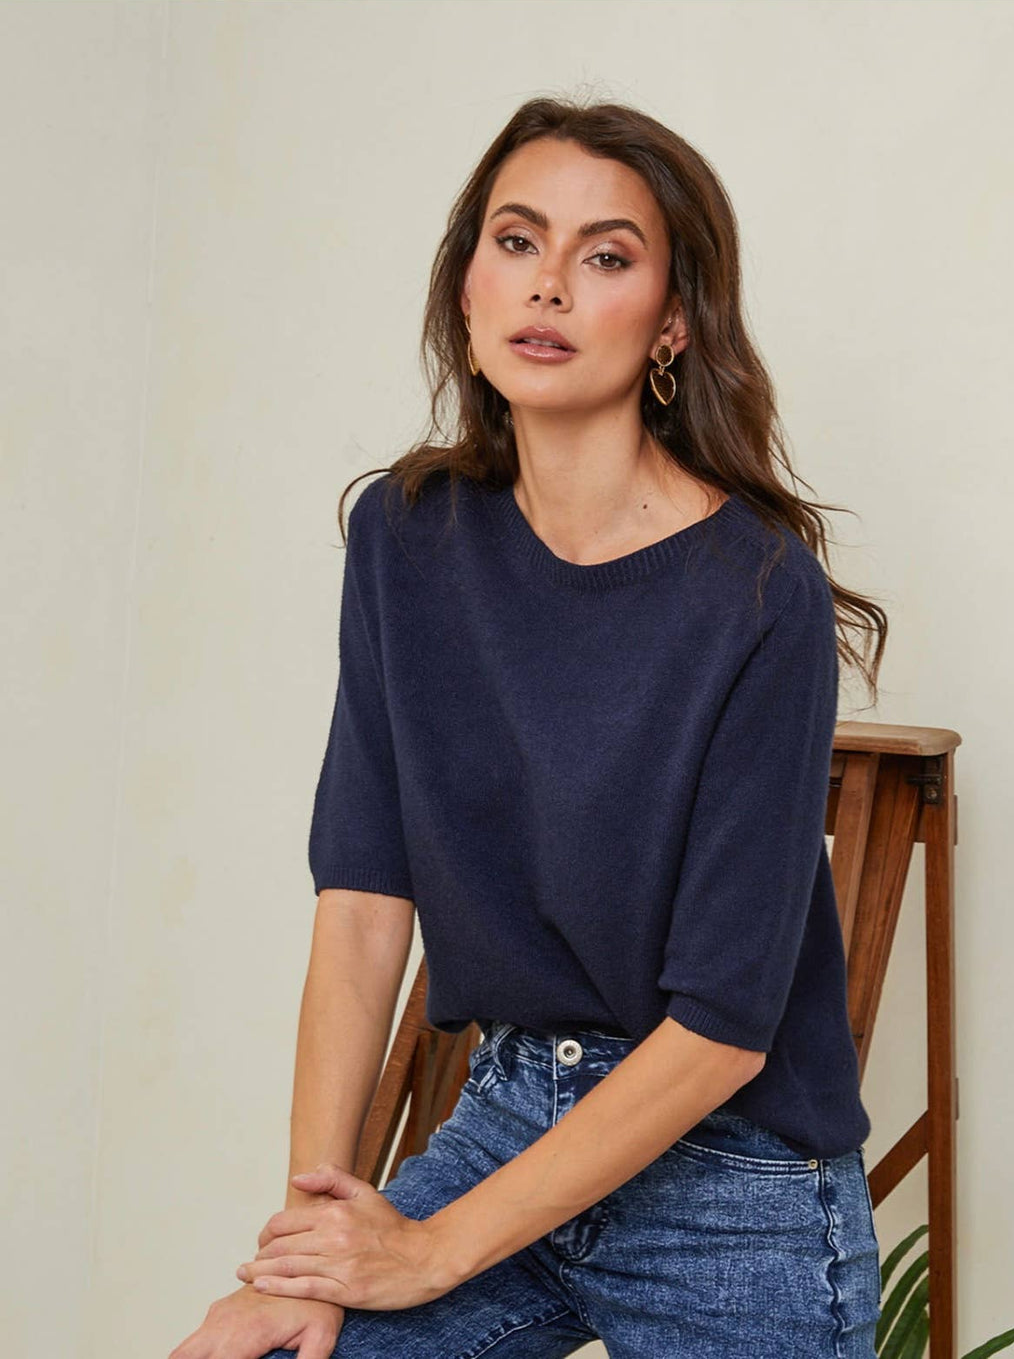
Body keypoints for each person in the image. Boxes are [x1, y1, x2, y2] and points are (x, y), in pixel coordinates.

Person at [170, 95, 888, 1359]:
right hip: (511, 1107)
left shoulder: (759, 594)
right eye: (517, 241)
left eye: (606, 256)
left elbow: (725, 1028)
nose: (549, 285)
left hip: (737, 1184)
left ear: (672, 322)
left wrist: (430, 1249)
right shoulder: (407, 539)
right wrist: (315, 1248)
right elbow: (359, 914)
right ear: (466, 288)